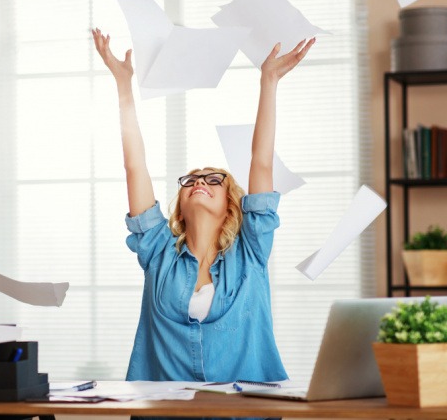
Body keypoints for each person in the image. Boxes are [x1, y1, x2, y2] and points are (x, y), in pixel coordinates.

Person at [92, 28, 314, 382]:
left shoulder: (252, 251)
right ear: (179, 207)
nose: (200, 183)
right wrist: (123, 83)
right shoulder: (157, 251)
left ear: (232, 205)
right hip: (166, 414)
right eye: (192, 180)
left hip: (242, 415)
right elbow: (134, 165)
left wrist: (268, 81)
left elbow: (261, 162)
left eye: (214, 180)